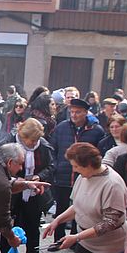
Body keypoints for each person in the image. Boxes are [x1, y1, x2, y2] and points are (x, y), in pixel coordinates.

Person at [0, 119, 54, 253]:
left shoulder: (43, 146)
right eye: (31, 140)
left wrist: (38, 176)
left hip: (34, 194)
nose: (33, 143)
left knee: (33, 230)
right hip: (13, 194)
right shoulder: (8, 144)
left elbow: (51, 166)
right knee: (8, 229)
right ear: (22, 136)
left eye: (36, 140)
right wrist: (17, 181)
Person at [47, 98, 106, 242]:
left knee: (80, 209)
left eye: (78, 112)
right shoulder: (62, 127)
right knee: (61, 208)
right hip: (63, 175)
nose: (74, 115)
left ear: (86, 113)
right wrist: (56, 166)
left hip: (85, 177)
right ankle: (58, 239)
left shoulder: (96, 130)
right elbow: (52, 149)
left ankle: (75, 239)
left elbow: (99, 155)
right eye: (72, 112)